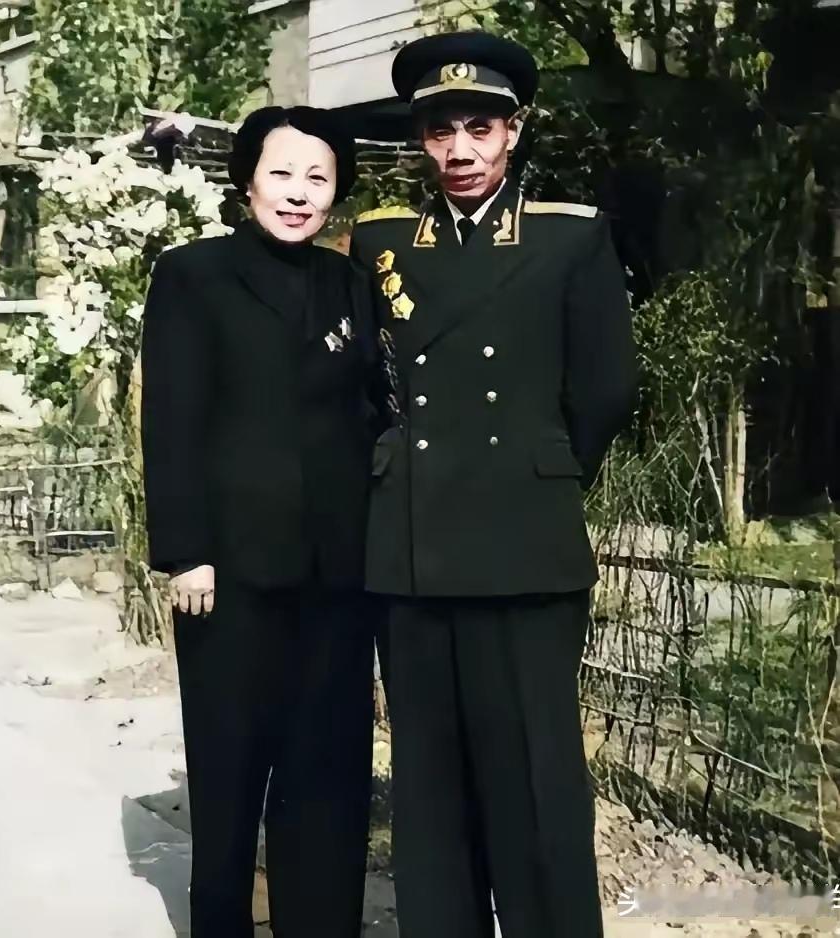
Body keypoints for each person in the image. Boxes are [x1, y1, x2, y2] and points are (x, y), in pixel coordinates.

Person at [349, 31, 638, 938]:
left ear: (514, 130)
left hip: (525, 546)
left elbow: (606, 390)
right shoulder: (382, 244)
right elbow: (364, 390)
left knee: (537, 779)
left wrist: (532, 472)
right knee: (430, 786)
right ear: (421, 142)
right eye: (441, 132)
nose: (461, 150)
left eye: (480, 127)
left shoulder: (569, 236)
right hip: (414, 550)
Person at [140, 106, 379, 938]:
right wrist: (186, 551)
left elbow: (370, 413)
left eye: (318, 178)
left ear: (337, 191)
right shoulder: (193, 274)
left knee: (328, 779)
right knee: (231, 775)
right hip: (229, 575)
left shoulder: (352, 285)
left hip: (338, 575)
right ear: (247, 180)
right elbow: (171, 418)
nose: (298, 193)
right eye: (281, 174)